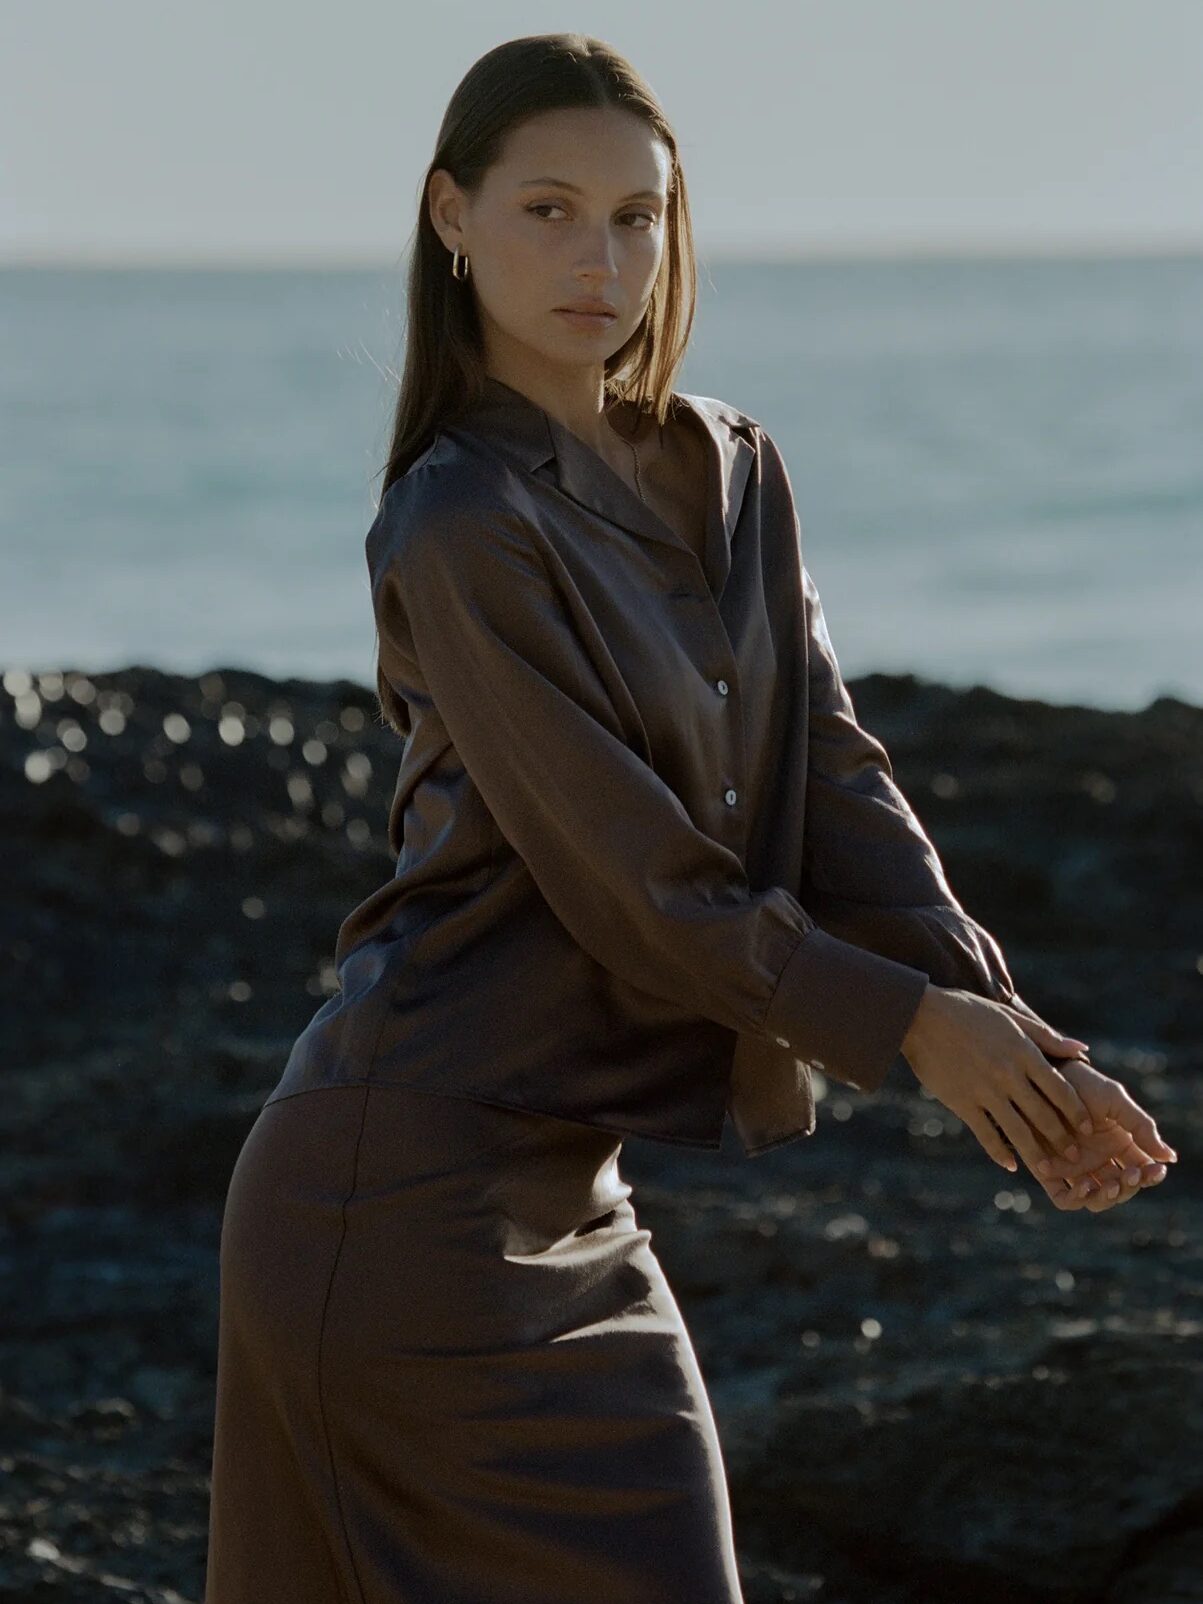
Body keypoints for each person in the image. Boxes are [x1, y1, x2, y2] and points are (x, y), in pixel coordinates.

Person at [203, 32, 1177, 1604]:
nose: (603, 260)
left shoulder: (728, 469)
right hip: (398, 1201)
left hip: (580, 1202)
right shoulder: (459, 520)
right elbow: (638, 887)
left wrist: (1017, 1047)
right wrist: (913, 1033)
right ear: (450, 216)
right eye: (549, 211)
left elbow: (837, 779)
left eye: (639, 218)